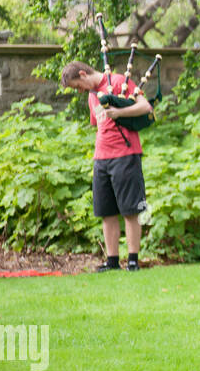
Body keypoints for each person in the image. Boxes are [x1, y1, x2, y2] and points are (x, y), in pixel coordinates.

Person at [60, 59, 154, 272]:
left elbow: (145, 106)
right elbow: (99, 125)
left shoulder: (119, 81)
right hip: (101, 158)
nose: (79, 91)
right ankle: (112, 261)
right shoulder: (92, 97)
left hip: (126, 154)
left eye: (78, 86)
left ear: (83, 74)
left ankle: (132, 260)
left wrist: (119, 113)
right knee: (106, 211)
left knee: (131, 209)